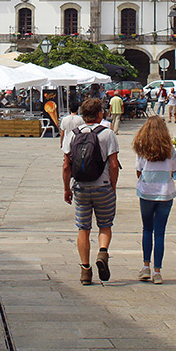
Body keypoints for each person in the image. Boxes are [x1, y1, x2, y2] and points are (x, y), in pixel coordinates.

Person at [62, 97, 119, 285]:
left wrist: (66, 189)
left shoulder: (73, 134)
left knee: (83, 228)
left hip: (80, 188)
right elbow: (113, 164)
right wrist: (113, 186)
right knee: (105, 224)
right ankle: (102, 253)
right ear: (100, 114)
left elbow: (66, 166)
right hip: (102, 186)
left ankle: (85, 270)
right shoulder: (107, 134)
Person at [132, 117, 176, 285]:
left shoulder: (142, 149)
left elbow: (138, 171)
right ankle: (157, 271)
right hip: (165, 193)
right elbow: (175, 170)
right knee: (159, 233)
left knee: (147, 229)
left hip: (146, 193)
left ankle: (145, 266)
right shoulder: (169, 150)